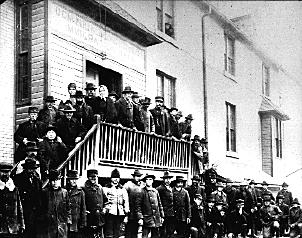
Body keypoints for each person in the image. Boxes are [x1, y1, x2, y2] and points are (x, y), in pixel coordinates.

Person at [13, 158, 42, 238]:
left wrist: (38, 210)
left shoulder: (37, 181)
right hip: (23, 211)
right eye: (30, 169)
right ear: (25, 169)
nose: (31, 171)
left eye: (33, 169)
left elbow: (39, 197)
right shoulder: (18, 179)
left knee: (33, 233)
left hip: (34, 212)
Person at [39, 170, 71, 238]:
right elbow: (41, 208)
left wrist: (67, 219)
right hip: (49, 226)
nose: (54, 183)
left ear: (60, 180)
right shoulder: (45, 192)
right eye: (53, 180)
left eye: (57, 180)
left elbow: (68, 208)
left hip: (62, 225)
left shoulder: (64, 192)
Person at [0, 162, 25, 237]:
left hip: (13, 228)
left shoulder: (14, 189)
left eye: (7, 172)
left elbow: (19, 208)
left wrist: (22, 225)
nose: (5, 174)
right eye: (3, 172)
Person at [136, 173, 164, 238]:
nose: (149, 181)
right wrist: (140, 218)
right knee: (145, 236)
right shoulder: (141, 191)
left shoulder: (155, 191)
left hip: (156, 218)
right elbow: (138, 206)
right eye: (147, 179)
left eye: (150, 179)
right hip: (146, 218)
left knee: (156, 235)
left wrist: (162, 216)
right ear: (145, 181)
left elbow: (159, 204)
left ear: (153, 181)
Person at [103, 169, 129, 238]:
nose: (116, 180)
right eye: (114, 178)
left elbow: (126, 201)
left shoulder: (122, 189)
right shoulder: (106, 188)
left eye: (117, 178)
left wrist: (126, 214)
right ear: (111, 178)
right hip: (110, 213)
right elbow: (103, 200)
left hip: (120, 214)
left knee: (117, 233)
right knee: (109, 233)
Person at [82, 169, 106, 238]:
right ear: (87, 177)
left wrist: (104, 209)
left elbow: (106, 201)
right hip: (90, 219)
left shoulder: (100, 188)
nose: (93, 178)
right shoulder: (84, 188)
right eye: (91, 177)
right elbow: (82, 203)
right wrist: (85, 211)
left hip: (99, 219)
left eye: (95, 177)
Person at [66, 170, 86, 238]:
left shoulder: (80, 192)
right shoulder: (64, 191)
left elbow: (83, 208)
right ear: (68, 180)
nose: (74, 181)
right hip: (66, 221)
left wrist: (83, 222)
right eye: (72, 179)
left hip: (76, 221)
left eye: (76, 179)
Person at [123, 169, 143, 238]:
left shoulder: (141, 186)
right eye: (136, 176)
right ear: (133, 176)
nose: (138, 178)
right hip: (129, 212)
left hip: (137, 213)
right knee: (128, 232)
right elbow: (124, 198)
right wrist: (126, 214)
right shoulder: (128, 185)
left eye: (139, 176)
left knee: (135, 232)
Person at [156, 171, 175, 238]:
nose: (168, 180)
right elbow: (157, 202)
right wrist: (160, 215)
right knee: (163, 232)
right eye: (166, 179)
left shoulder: (171, 188)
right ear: (163, 179)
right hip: (164, 214)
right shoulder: (159, 189)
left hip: (171, 214)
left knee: (170, 231)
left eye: (169, 179)